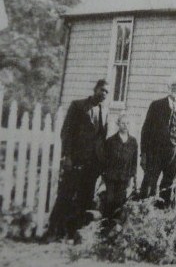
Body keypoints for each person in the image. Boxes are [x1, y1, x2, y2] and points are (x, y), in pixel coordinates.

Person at [46, 79, 109, 240]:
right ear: (95, 89)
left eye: (107, 92)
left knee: (85, 198)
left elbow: (102, 138)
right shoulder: (78, 106)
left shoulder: (104, 111)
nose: (104, 94)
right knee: (65, 195)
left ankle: (74, 233)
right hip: (76, 160)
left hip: (93, 164)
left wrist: (101, 163)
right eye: (102, 90)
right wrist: (67, 156)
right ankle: (52, 231)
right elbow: (66, 133)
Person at [140, 75, 176, 208]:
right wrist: (144, 154)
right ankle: (145, 212)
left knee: (169, 186)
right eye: (173, 86)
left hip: (175, 152)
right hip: (155, 151)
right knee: (150, 184)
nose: (175, 88)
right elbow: (145, 131)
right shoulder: (156, 105)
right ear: (168, 88)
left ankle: (164, 215)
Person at [101, 113, 138, 218]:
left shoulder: (133, 142)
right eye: (122, 123)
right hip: (111, 177)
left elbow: (134, 161)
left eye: (127, 123)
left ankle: (115, 227)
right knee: (109, 200)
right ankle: (105, 225)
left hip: (125, 177)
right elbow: (105, 160)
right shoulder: (110, 141)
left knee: (120, 202)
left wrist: (133, 177)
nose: (125, 125)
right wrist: (104, 177)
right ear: (118, 124)